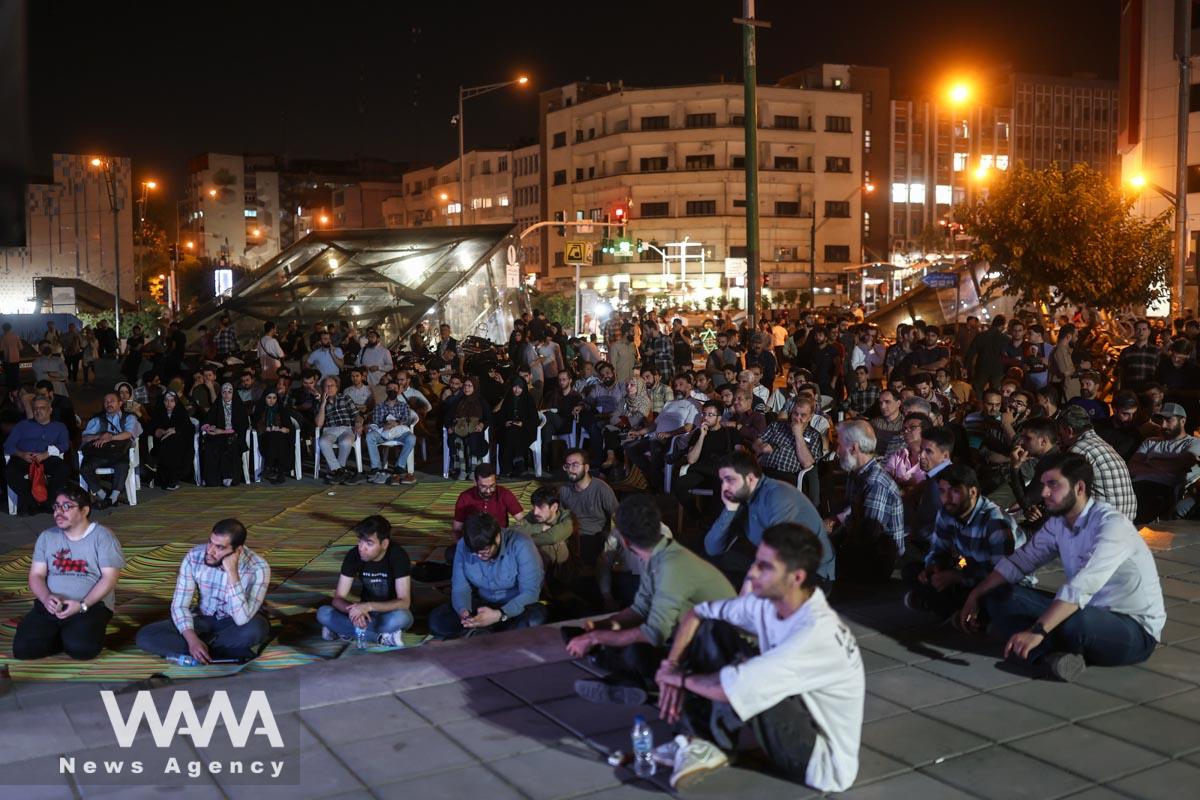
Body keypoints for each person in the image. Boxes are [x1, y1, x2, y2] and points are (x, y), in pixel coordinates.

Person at [654, 522, 863, 792]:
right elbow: (698, 614)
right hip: (797, 713)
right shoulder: (767, 603)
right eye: (756, 561)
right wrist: (671, 664)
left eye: (764, 567)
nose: (751, 573)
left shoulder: (813, 633)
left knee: (745, 676)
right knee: (713, 629)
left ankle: (708, 744)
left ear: (796, 577)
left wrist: (677, 678)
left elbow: (728, 689)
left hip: (821, 763)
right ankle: (699, 740)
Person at [959, 453, 1165, 681]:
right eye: (1043, 485)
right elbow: (1020, 562)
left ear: (1079, 488)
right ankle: (1054, 658)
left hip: (1132, 627)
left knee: (1072, 623)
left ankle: (1040, 645)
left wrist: (1037, 630)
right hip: (1082, 609)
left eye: (1053, 485)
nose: (1044, 493)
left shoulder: (1111, 526)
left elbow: (1081, 587)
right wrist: (975, 595)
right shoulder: (1059, 522)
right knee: (998, 595)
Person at [566, 495, 735, 705]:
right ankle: (634, 681)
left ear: (625, 542)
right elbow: (640, 609)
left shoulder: (671, 565)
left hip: (724, 650)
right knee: (609, 640)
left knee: (631, 648)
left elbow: (653, 633)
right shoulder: (657, 555)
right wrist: (600, 626)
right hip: (696, 637)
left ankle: (636, 682)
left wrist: (596, 638)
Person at [12, 486, 125, 660]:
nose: (59, 512)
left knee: (82, 650)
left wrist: (82, 604)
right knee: (23, 650)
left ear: (84, 510)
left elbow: (109, 578)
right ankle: (64, 633)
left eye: (66, 506)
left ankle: (69, 634)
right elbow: (36, 575)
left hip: (90, 606)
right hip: (51, 604)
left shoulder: (102, 537)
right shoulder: (47, 537)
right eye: (56, 506)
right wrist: (45, 598)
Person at [137, 518, 271, 664]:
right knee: (146, 636)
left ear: (237, 550)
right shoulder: (194, 556)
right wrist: (192, 639)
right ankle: (223, 652)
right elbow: (179, 606)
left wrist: (232, 573)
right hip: (202, 619)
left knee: (256, 630)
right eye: (210, 542)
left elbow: (241, 619)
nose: (210, 551)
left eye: (219, 547)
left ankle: (201, 651)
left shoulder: (259, 568)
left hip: (235, 623)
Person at [903, 464, 1021, 618]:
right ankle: (950, 608)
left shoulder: (995, 522)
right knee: (912, 571)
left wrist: (956, 577)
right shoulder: (946, 513)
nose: (947, 498)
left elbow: (1002, 576)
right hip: (966, 564)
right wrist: (934, 566)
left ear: (972, 492)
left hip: (1003, 581)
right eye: (942, 491)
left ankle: (948, 609)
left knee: (996, 600)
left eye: (955, 491)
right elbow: (940, 551)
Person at [704, 451, 833, 589]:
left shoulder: (778, 495)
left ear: (750, 479)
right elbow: (712, 549)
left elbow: (779, 554)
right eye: (723, 481)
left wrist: (749, 582)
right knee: (710, 560)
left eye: (730, 480)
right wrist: (729, 510)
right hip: (777, 566)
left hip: (810, 576)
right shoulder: (743, 497)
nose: (724, 488)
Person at [428, 513, 547, 639]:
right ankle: (486, 632)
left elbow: (530, 593)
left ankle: (483, 634)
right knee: (437, 621)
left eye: (484, 552)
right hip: (482, 604)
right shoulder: (463, 545)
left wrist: (500, 614)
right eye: (474, 553)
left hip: (513, 608)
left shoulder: (521, 544)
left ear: (497, 538)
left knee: (535, 619)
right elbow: (460, 588)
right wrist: (464, 613)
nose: (479, 557)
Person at [825, 420, 905, 583]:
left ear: (853, 448)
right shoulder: (856, 474)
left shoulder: (874, 482)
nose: (837, 451)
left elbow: (869, 534)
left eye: (839, 445)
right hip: (863, 547)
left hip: (878, 558)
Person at [316, 515, 412, 647]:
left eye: (369, 543)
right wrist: (353, 612)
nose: (362, 547)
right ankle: (380, 637)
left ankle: (341, 630)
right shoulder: (354, 555)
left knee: (401, 618)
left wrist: (368, 606)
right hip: (364, 614)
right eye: (360, 541)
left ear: (384, 544)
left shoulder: (398, 556)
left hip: (389, 613)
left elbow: (404, 602)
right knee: (323, 613)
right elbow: (338, 598)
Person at [1057, 406, 1138, 520]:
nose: (1060, 438)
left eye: (1060, 433)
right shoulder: (1103, 444)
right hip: (1126, 520)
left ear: (1069, 431)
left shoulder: (1079, 450)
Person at [1128, 403, 1200, 524]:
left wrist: (1148, 462)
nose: (1163, 425)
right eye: (1161, 420)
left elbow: (1181, 465)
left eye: (1168, 420)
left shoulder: (1193, 443)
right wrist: (1165, 466)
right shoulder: (1150, 441)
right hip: (1136, 486)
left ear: (1182, 421)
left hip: (1164, 490)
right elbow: (1131, 467)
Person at [4, 395, 70, 514]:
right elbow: (8, 445)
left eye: (42, 408)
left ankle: (49, 501)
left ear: (50, 410)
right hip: (25, 458)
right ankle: (31, 502)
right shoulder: (23, 425)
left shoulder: (59, 427)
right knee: (10, 472)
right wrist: (21, 454)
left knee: (63, 469)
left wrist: (46, 454)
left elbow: (65, 445)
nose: (38, 411)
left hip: (46, 457)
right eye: (35, 408)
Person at [752, 398, 823, 504]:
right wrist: (761, 448)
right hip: (765, 471)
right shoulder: (777, 426)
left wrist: (798, 435)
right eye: (795, 413)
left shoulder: (814, 435)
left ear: (810, 416)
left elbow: (807, 464)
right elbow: (756, 443)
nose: (798, 418)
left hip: (788, 477)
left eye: (803, 415)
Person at [559, 448, 620, 565]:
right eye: (567, 466)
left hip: (594, 536)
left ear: (586, 468)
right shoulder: (564, 490)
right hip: (571, 535)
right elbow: (561, 517)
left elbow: (618, 517)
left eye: (575, 465)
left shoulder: (602, 489)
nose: (570, 469)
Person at [80, 392, 140, 509]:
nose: (108, 404)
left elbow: (128, 434)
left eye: (112, 401)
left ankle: (113, 497)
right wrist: (100, 436)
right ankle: (103, 496)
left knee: (122, 465)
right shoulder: (97, 419)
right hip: (100, 453)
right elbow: (85, 437)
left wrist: (110, 437)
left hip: (118, 452)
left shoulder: (129, 417)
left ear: (120, 403)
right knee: (85, 468)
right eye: (106, 401)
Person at [509, 485, 577, 577]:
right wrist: (539, 528)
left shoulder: (567, 517)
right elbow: (513, 532)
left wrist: (526, 540)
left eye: (541, 507)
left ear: (554, 507)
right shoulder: (535, 515)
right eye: (534, 506)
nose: (536, 512)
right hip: (540, 566)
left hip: (565, 568)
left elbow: (552, 537)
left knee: (554, 544)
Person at [364, 376, 418, 484]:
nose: (392, 390)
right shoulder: (379, 406)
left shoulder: (404, 406)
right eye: (390, 388)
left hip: (399, 432)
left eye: (394, 388)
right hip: (383, 431)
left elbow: (407, 419)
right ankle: (376, 467)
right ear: (386, 390)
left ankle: (400, 466)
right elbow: (376, 420)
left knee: (411, 438)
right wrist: (386, 424)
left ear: (398, 390)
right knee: (370, 437)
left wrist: (396, 423)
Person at [452, 462, 523, 543]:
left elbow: (523, 520)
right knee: (451, 554)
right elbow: (457, 529)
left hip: (499, 539)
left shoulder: (504, 494)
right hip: (474, 541)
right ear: (475, 482)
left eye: (492, 486)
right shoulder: (465, 497)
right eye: (483, 487)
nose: (489, 491)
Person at [315, 375, 364, 484]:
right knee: (322, 441)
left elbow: (357, 415)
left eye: (332, 385)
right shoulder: (319, 403)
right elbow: (319, 424)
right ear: (323, 388)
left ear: (337, 387)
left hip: (346, 428)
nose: (329, 388)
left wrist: (358, 423)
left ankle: (337, 471)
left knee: (345, 442)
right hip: (329, 430)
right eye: (326, 386)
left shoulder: (345, 398)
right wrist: (323, 404)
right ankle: (341, 471)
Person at [201, 383, 250, 487]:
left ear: (233, 393)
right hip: (218, 435)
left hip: (234, 436)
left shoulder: (238, 406)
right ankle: (213, 479)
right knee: (211, 446)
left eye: (229, 392)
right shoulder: (217, 405)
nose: (227, 394)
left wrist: (222, 432)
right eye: (224, 392)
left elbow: (242, 426)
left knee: (230, 445)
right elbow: (207, 420)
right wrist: (208, 428)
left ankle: (229, 476)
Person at [445, 375, 491, 480]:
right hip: (460, 429)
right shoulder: (459, 400)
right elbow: (448, 417)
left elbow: (489, 418)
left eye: (470, 386)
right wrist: (450, 426)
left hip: (475, 430)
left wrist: (482, 424)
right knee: (458, 440)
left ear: (475, 387)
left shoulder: (480, 400)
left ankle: (474, 470)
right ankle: (462, 470)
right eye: (465, 385)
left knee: (473, 439)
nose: (467, 388)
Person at [148, 391, 195, 490]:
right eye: (166, 400)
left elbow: (189, 429)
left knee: (172, 441)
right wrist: (157, 431)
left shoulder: (181, 413)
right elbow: (151, 427)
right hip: (161, 444)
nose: (169, 404)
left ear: (176, 402)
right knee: (168, 444)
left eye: (172, 401)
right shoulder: (159, 412)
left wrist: (175, 430)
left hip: (179, 445)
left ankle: (172, 479)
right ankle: (168, 480)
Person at [494, 376, 539, 477]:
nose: (517, 390)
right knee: (511, 431)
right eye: (514, 387)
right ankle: (519, 464)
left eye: (520, 387)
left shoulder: (528, 399)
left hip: (525, 430)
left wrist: (522, 423)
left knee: (514, 432)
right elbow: (501, 416)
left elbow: (534, 419)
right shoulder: (508, 399)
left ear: (524, 388)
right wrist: (505, 422)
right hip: (508, 429)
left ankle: (506, 469)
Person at [253, 390, 295, 484]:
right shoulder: (260, 409)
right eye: (269, 398)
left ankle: (270, 466)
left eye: (274, 398)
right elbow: (257, 425)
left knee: (278, 438)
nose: (271, 400)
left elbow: (289, 429)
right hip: (264, 439)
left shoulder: (282, 410)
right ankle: (279, 472)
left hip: (281, 439)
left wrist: (281, 429)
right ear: (265, 398)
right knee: (274, 437)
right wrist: (270, 428)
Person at [870, 389, 905, 457]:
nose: (883, 406)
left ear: (898, 403)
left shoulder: (905, 424)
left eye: (887, 402)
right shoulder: (875, 422)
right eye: (880, 403)